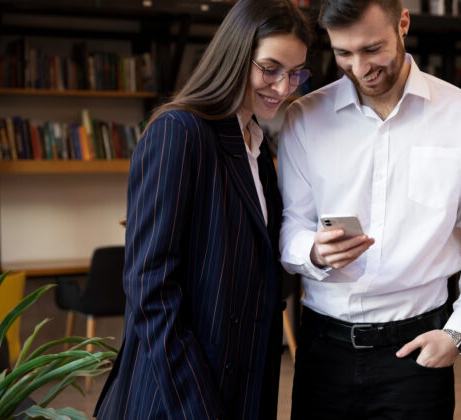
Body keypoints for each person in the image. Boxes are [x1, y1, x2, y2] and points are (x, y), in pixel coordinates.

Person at [277, 0, 461, 418]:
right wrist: (311, 250)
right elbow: (291, 224)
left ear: (403, 23)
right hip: (322, 351)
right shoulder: (304, 117)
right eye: (343, 53)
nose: (360, 68)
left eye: (372, 49)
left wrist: (460, 331)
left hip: (419, 349)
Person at [94, 1, 312, 418]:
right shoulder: (179, 132)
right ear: (235, 54)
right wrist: (197, 407)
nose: (284, 88)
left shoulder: (258, 148)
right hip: (175, 397)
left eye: (296, 73)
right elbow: (150, 289)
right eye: (270, 69)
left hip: (241, 390)